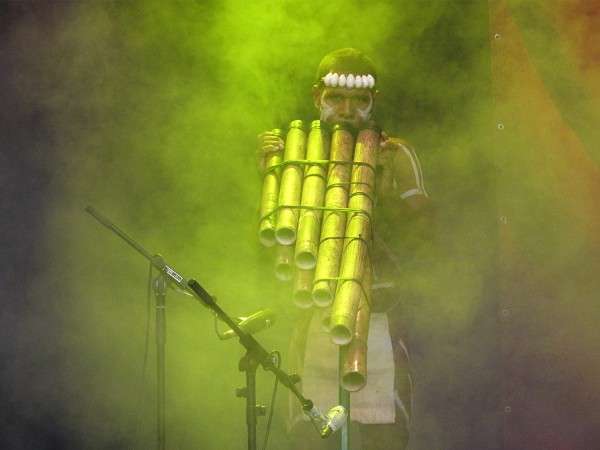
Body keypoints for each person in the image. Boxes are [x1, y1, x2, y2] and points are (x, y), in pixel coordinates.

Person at [255, 48, 432, 449]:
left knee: (381, 441)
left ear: (374, 102)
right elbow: (267, 255)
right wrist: (266, 181)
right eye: (336, 98)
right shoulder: (293, 154)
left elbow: (427, 244)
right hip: (312, 319)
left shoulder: (395, 153)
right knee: (311, 440)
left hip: (378, 326)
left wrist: (385, 195)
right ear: (317, 97)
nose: (348, 110)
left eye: (359, 100)